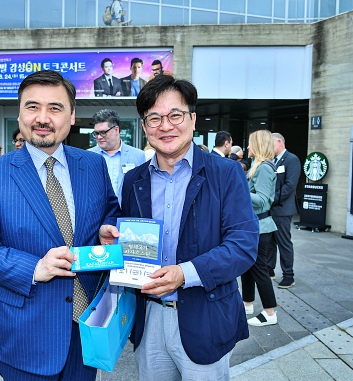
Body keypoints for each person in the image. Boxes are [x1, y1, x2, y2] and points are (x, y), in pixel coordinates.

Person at [0, 70, 120, 380]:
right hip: (25, 333)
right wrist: (34, 267)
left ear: (71, 116)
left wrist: (105, 227)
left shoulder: (93, 164)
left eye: (55, 108)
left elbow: (110, 210)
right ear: (20, 113)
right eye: (32, 107)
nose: (42, 118)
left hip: (86, 328)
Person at [100, 75, 258, 380]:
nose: (166, 126)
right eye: (155, 118)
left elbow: (243, 245)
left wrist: (184, 273)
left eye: (175, 115)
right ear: (145, 127)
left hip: (205, 317)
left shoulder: (225, 173)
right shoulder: (134, 180)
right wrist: (109, 230)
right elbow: (125, 227)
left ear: (192, 119)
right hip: (149, 317)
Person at [242, 130, 278, 327]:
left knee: (259, 269)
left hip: (260, 227)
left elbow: (263, 200)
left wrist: (239, 189)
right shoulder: (259, 166)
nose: (247, 147)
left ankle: (270, 313)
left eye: (250, 143)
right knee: (247, 267)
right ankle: (247, 304)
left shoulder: (264, 168)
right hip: (255, 226)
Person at [88, 109, 145, 204]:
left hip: (127, 211)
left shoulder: (138, 156)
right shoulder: (88, 156)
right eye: (96, 133)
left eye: (103, 132)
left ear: (116, 130)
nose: (99, 137)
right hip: (97, 211)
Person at [268, 132, 301, 288]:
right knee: (270, 241)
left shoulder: (291, 159)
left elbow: (290, 186)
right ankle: (269, 270)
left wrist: (271, 199)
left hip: (282, 209)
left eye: (271, 143)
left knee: (283, 242)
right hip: (271, 208)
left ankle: (288, 275)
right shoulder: (272, 161)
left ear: (280, 142)